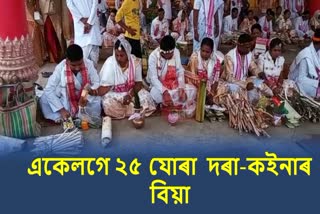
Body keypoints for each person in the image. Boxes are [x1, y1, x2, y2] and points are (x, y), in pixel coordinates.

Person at [98, 36, 156, 119]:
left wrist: (129, 95)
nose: (118, 58)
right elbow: (105, 87)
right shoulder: (110, 63)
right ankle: (135, 111)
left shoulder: (135, 62)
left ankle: (127, 111)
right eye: (117, 55)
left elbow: (138, 84)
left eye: (122, 55)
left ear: (128, 54)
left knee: (147, 98)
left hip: (131, 92)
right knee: (108, 104)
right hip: (115, 94)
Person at [40, 44, 101, 122]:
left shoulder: (88, 64)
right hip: (66, 100)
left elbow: (96, 82)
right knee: (44, 98)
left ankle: (79, 115)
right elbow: (49, 89)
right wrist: (62, 110)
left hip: (84, 101)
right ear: (67, 60)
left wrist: (85, 96)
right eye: (73, 65)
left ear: (82, 58)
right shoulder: (60, 67)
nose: (77, 68)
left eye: (80, 64)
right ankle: (63, 116)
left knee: (98, 99)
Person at [147, 35, 197, 111]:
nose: (172, 55)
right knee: (155, 95)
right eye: (169, 54)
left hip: (174, 85)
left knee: (193, 90)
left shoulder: (176, 52)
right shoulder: (153, 57)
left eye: (172, 52)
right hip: (159, 86)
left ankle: (172, 101)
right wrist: (164, 92)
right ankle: (175, 102)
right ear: (163, 52)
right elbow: (153, 79)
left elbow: (179, 70)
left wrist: (181, 87)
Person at [188, 37, 224, 104]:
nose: (204, 54)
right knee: (193, 92)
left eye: (207, 52)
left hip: (209, 84)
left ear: (211, 51)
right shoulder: (194, 58)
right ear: (200, 49)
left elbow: (216, 79)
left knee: (223, 90)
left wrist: (212, 93)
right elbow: (193, 77)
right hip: (196, 84)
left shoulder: (216, 60)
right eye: (203, 51)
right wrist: (204, 91)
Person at [67, 0, 102, 67]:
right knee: (82, 55)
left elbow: (95, 3)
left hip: (92, 24)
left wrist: (89, 22)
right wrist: (84, 20)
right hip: (81, 25)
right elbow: (69, 4)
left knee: (93, 57)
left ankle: (92, 75)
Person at [289, 29, 320, 99]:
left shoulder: (318, 51)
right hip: (298, 83)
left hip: (313, 81)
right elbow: (301, 79)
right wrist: (317, 83)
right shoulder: (305, 55)